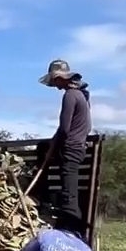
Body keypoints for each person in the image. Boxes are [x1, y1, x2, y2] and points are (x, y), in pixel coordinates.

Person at [38, 59, 92, 219]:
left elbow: (64, 128)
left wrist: (53, 146)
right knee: (69, 190)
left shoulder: (70, 95)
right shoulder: (81, 95)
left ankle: (68, 224)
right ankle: (46, 205)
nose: (55, 85)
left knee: (69, 194)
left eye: (55, 80)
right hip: (78, 147)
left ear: (59, 78)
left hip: (71, 149)